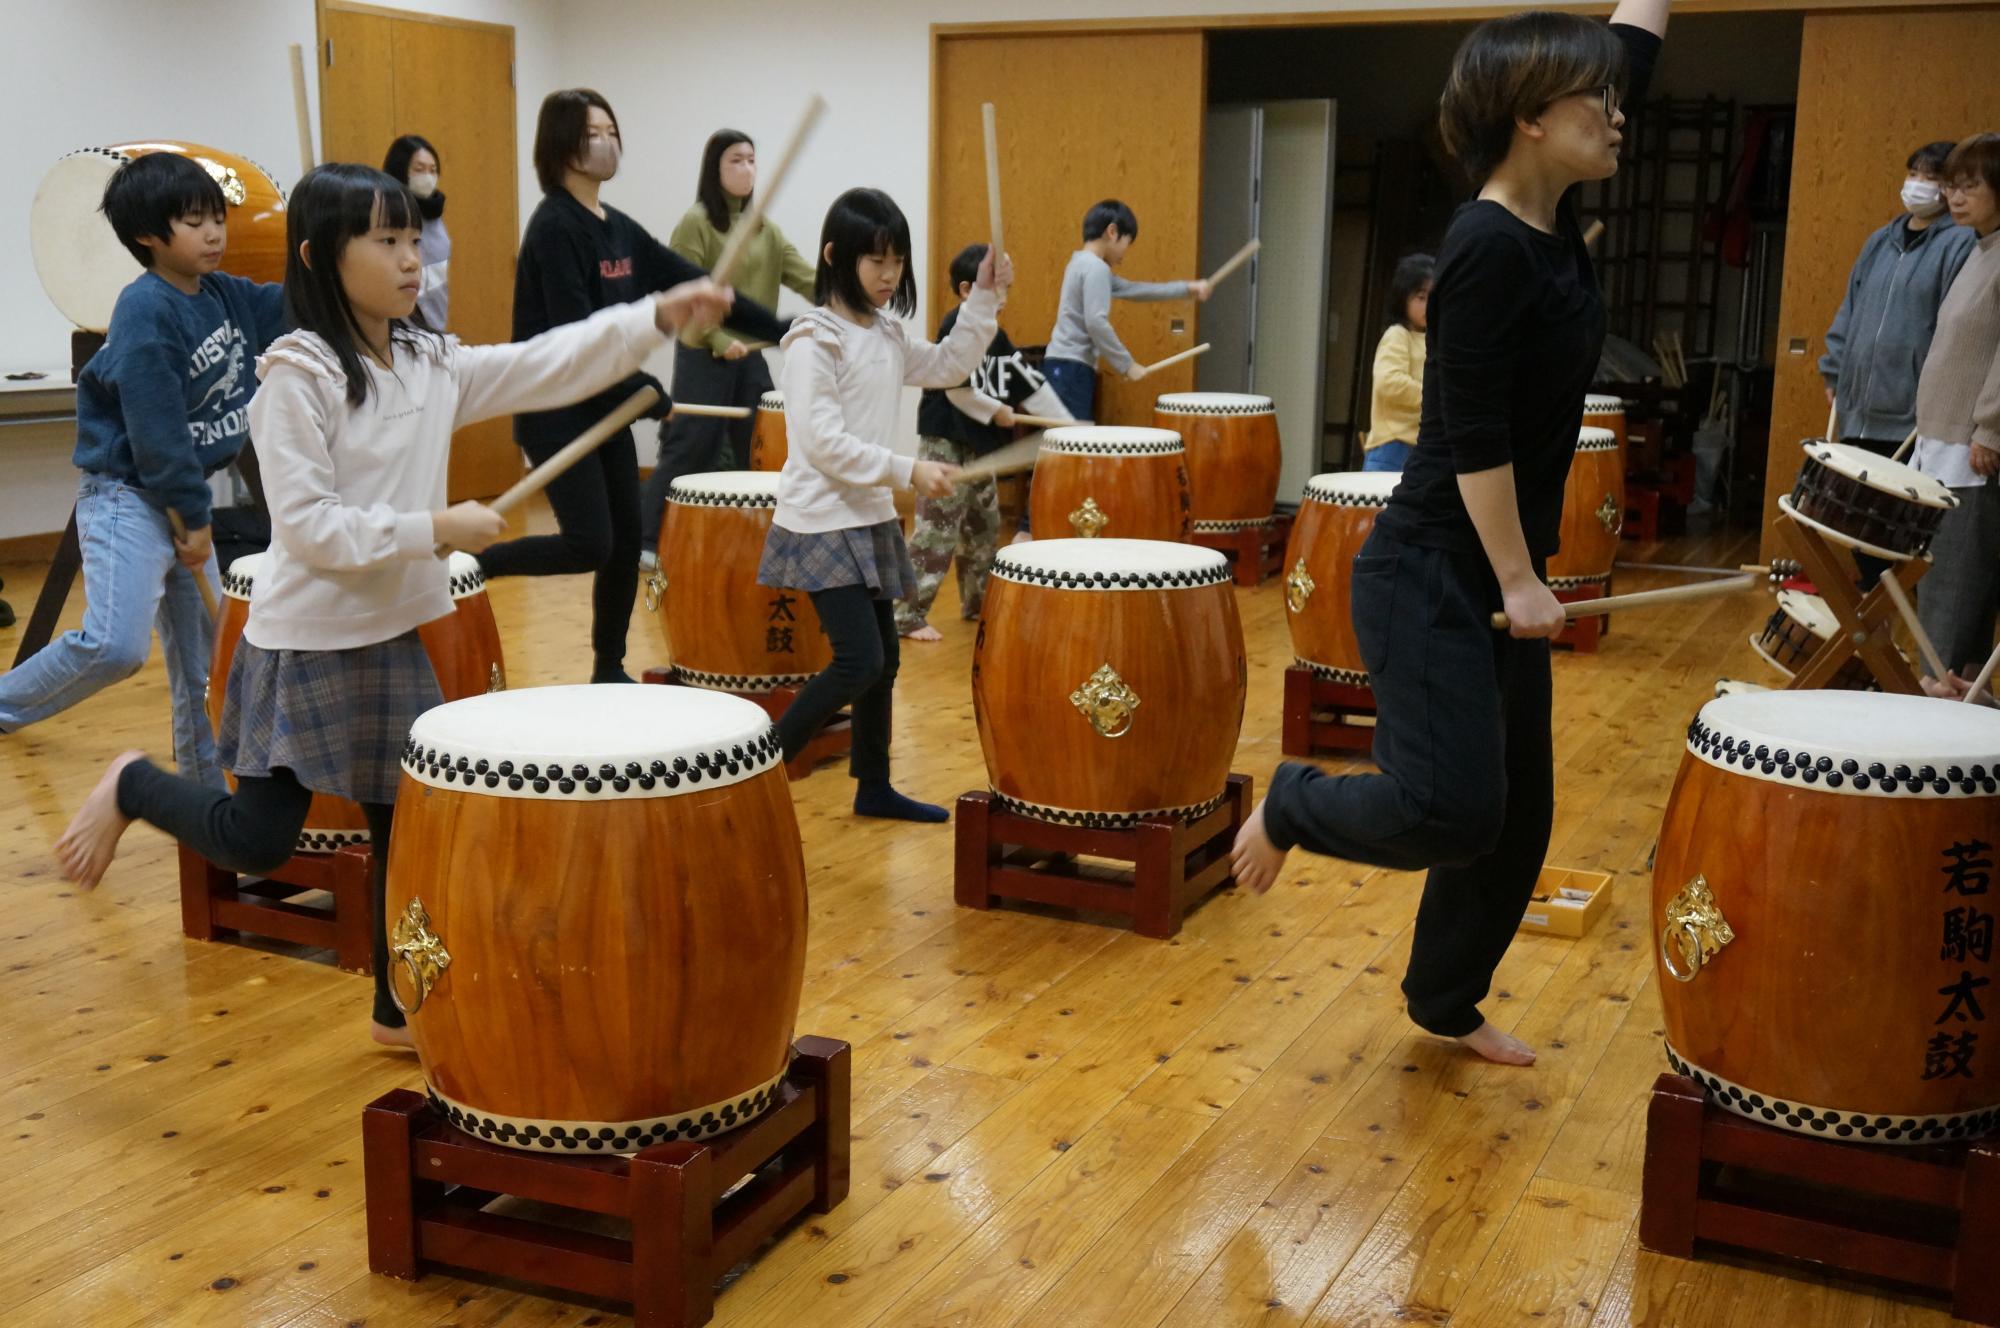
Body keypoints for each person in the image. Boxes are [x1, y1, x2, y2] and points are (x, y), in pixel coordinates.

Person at [52, 163, 732, 1049]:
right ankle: (134, 782)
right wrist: (433, 525)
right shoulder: (293, 375)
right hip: (302, 641)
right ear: (319, 258)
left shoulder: (424, 358)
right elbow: (310, 529)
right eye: (386, 240)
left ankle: (393, 1010)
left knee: (405, 832)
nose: (412, 259)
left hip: (390, 635)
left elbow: (540, 364)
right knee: (259, 841)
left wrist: (655, 317)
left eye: (414, 238)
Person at [1231, 1, 1668, 1067]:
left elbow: (1631, 54)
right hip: (1430, 571)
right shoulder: (1481, 247)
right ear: (1527, 115)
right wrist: (1519, 580)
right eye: (1594, 100)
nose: (1616, 117)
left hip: (1484, 570)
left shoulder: (1550, 221)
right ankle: (1293, 799)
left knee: (1513, 820)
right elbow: (1468, 432)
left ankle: (1444, 1000)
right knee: (1453, 808)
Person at [476, 90, 789, 684]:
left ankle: (608, 667)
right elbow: (578, 339)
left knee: (623, 546)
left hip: (611, 409)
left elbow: (697, 284)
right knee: (589, 543)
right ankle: (477, 561)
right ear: (563, 143)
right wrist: (647, 390)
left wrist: (781, 329)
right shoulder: (553, 228)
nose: (608, 141)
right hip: (557, 413)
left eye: (611, 128)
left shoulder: (618, 229)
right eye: (594, 131)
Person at [0, 153, 286, 789]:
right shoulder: (144, 309)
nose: (215, 233)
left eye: (218, 218)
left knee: (206, 663)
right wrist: (193, 518)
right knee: (115, 646)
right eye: (194, 222)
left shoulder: (225, 295)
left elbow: (294, 305)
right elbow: (156, 434)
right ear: (149, 236)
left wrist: (329, 257)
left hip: (184, 498)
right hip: (129, 497)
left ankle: (207, 803)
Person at [760, 188, 1009, 821]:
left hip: (865, 515)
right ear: (835, 257)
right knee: (859, 659)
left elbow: (952, 364)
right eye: (875, 260)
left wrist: (983, 298)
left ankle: (873, 787)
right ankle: (756, 769)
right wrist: (908, 469)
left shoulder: (888, 334)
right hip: (820, 519)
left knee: (885, 658)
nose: (888, 273)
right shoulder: (814, 339)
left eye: (896, 259)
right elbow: (819, 443)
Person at [639, 128, 817, 556]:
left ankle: (758, 543)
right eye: (735, 160)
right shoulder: (696, 222)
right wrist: (718, 338)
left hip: (750, 357)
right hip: (703, 352)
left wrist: (853, 296)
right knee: (690, 451)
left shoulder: (765, 231)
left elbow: (807, 278)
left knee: (761, 450)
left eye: (752, 159)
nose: (747, 168)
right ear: (714, 169)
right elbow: (682, 289)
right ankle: (646, 541)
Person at [897, 242, 1074, 642]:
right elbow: (954, 388)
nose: (1004, 300)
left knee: (984, 525)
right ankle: (906, 614)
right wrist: (994, 409)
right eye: (997, 291)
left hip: (980, 447)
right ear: (967, 290)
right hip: (945, 440)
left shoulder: (997, 336)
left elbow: (1028, 382)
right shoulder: (955, 326)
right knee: (937, 530)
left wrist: (1067, 425)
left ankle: (978, 603)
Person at [1908, 132, 2000, 689]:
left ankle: (1944, 703)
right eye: (1952, 187)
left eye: (1970, 186)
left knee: (1960, 587)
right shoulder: (1978, 249)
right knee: (1942, 580)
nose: (1955, 198)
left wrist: (1990, 425)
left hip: (1975, 448)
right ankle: (1945, 695)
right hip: (1943, 440)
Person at [1820, 141, 1975, 457]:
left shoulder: (1961, 243)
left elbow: (1954, 330)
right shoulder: (1880, 240)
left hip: (1913, 419)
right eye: (1913, 173)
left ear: (1949, 187)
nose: (1918, 183)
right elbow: (1849, 309)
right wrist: (1834, 370)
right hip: (1855, 412)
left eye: (1930, 177)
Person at [1362, 253, 1435, 473]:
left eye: (1434, 298)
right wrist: (1434, 396)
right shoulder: (1397, 335)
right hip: (1392, 447)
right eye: (1421, 298)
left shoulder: (1433, 339)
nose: (1428, 306)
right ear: (1403, 298)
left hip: (1419, 445)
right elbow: (1389, 382)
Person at [383, 134, 450, 329]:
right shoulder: (388, 217)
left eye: (433, 170)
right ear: (401, 171)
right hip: (402, 326)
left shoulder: (435, 216)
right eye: (419, 169)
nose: (428, 176)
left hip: (436, 324)